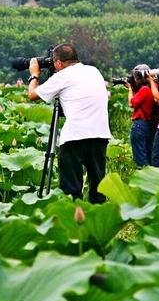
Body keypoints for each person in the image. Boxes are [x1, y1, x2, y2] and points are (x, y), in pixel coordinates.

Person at [27, 43, 112, 204]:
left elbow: (32, 94)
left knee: (71, 191)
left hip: (75, 136)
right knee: (98, 187)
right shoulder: (94, 71)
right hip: (100, 134)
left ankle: (73, 222)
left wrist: (34, 74)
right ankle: (97, 221)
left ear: (58, 63)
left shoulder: (62, 76)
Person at [127, 64, 156, 167]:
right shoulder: (154, 88)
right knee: (148, 154)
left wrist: (130, 89)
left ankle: (144, 178)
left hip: (140, 125)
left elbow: (131, 103)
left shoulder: (144, 90)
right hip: (150, 125)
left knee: (140, 156)